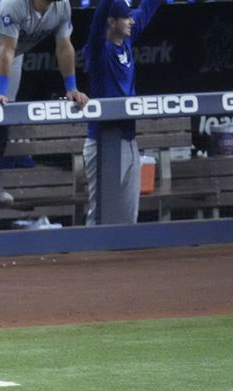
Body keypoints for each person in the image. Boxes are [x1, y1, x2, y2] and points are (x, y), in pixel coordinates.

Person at [0, 0, 89, 207]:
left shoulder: (62, 6)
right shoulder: (15, 4)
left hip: (13, 55)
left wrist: (71, 88)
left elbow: (64, 47)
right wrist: (0, 92)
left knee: (4, 113)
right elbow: (6, 48)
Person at [83, 0, 163, 225]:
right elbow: (97, 24)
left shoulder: (126, 39)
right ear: (111, 22)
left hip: (129, 142)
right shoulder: (98, 51)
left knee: (128, 218)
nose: (131, 21)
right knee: (100, 215)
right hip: (103, 143)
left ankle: (124, 260)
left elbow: (148, 6)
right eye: (125, 17)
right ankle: (91, 257)